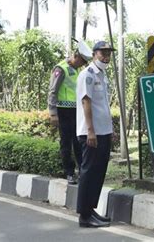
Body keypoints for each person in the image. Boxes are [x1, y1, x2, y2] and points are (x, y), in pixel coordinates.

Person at [76, 41, 116, 228]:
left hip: (103, 132)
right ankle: (84, 215)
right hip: (91, 133)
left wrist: (109, 130)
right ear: (94, 54)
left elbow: (103, 106)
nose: (106, 56)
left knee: (98, 173)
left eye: (108, 53)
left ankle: (91, 210)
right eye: (103, 53)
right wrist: (91, 130)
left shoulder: (102, 75)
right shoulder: (88, 75)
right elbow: (86, 102)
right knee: (88, 172)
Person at [48, 41, 92, 184]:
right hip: (63, 111)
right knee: (66, 143)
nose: (82, 64)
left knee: (79, 141)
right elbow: (52, 92)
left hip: (76, 111)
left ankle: (82, 171)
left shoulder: (78, 70)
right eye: (81, 61)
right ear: (75, 56)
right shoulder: (60, 69)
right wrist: (53, 113)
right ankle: (69, 173)